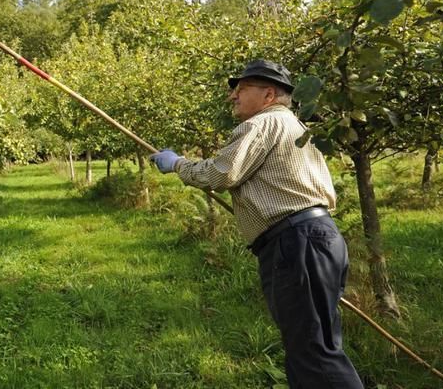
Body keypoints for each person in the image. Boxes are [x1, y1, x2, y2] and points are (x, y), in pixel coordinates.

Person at [150, 60, 363, 388]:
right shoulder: (293, 126)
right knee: (311, 346)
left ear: (268, 95)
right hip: (315, 239)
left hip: (297, 243)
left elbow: (220, 174)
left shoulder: (262, 124)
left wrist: (178, 164)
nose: (233, 96)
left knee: (314, 353)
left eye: (242, 89)